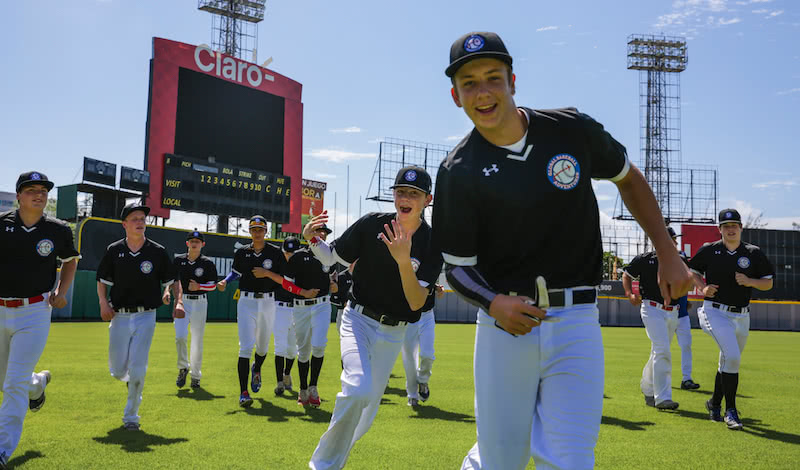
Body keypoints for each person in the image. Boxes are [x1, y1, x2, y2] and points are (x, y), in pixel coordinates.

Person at [432, 32, 694, 470]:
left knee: (571, 461)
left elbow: (627, 177)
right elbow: (457, 269)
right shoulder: (458, 170)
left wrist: (667, 251)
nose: (483, 91)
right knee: (502, 462)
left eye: (492, 78)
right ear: (455, 96)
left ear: (512, 81)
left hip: (575, 319)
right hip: (505, 326)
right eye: (469, 83)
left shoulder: (571, 129)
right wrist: (494, 302)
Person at [304, 166, 442, 470]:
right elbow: (331, 257)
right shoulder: (371, 225)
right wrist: (311, 239)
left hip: (395, 332)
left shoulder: (433, 243)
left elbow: (417, 302)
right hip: (358, 320)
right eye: (401, 191)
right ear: (393, 194)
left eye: (414, 194)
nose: (405, 197)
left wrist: (404, 261)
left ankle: (332, 462)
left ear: (427, 200)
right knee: (357, 389)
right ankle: (321, 466)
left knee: (365, 416)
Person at [0, 171, 79, 468]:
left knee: (14, 382)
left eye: (44, 190)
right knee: (5, 381)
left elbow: (70, 261)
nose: (39, 194)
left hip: (34, 310)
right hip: (0, 307)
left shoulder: (58, 229)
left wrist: (62, 289)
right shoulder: (2, 223)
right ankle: (39, 384)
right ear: (18, 195)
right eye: (31, 189)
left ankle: (2, 449)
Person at [96, 203, 182, 431]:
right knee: (117, 372)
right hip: (120, 317)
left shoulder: (157, 251)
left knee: (138, 367)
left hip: (146, 316)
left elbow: (173, 279)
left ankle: (131, 417)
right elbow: (102, 281)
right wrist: (103, 303)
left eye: (142, 218)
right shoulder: (114, 250)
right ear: (124, 224)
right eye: (134, 218)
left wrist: (178, 300)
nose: (140, 221)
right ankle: (130, 381)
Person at [689, 209, 774, 430]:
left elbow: (768, 283)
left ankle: (714, 404)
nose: (730, 229)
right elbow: (692, 271)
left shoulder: (753, 252)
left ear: (741, 228)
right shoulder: (710, 250)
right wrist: (702, 287)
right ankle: (731, 411)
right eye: (726, 226)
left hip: (742, 315)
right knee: (732, 356)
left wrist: (749, 281)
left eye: (734, 225)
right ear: (720, 229)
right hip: (714, 311)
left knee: (727, 361)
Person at [217, 215, 285, 408]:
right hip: (246, 301)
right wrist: (225, 281)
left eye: (260, 229)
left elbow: (282, 278)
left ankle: (257, 368)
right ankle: (243, 392)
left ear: (266, 231)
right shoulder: (242, 253)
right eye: (254, 229)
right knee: (245, 347)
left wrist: (267, 274)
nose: (257, 233)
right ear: (250, 231)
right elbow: (235, 273)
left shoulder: (275, 253)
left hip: (268, 302)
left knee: (262, 348)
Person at [623, 226, 689, 410]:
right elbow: (627, 275)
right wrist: (629, 293)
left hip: (673, 311)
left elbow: (685, 281)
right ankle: (663, 398)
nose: (675, 242)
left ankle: (647, 386)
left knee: (659, 351)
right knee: (662, 350)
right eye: (671, 239)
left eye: (675, 239)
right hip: (652, 309)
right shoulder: (645, 259)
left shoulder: (681, 260)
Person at [172, 229, 218, 389]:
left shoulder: (207, 263)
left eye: (197, 241)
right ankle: (183, 367)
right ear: (187, 243)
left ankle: (196, 376)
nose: (194, 243)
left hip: (200, 302)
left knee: (197, 341)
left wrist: (199, 286)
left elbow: (214, 285)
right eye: (192, 240)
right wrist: (167, 292)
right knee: (180, 336)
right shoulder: (178, 261)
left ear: (202, 244)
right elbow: (172, 281)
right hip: (182, 302)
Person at [402, 283, 443, 406]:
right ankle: (412, 395)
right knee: (409, 358)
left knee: (428, 354)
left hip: (427, 316)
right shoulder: (405, 265)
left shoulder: (430, 265)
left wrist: (437, 287)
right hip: (408, 316)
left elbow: (425, 278)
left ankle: (423, 380)